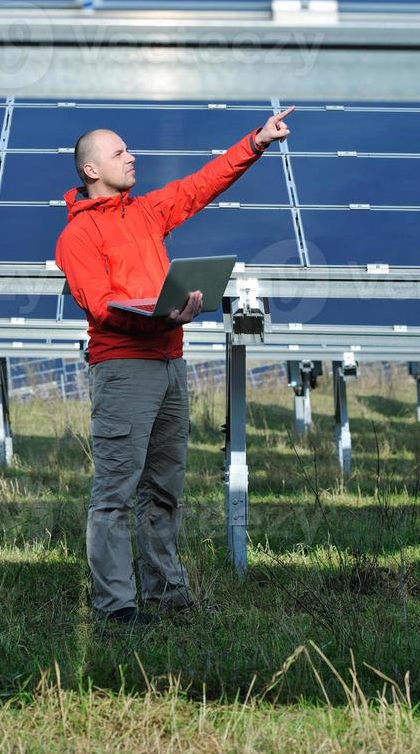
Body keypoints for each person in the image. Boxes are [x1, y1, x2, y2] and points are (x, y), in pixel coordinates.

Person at [55, 106, 294, 624]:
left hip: (169, 365)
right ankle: (115, 607)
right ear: (92, 169)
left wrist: (255, 142)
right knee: (115, 493)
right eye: (119, 152)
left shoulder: (145, 212)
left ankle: (167, 594)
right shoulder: (77, 237)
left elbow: (200, 186)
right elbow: (100, 308)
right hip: (124, 371)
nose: (131, 156)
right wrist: (166, 315)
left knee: (164, 487)